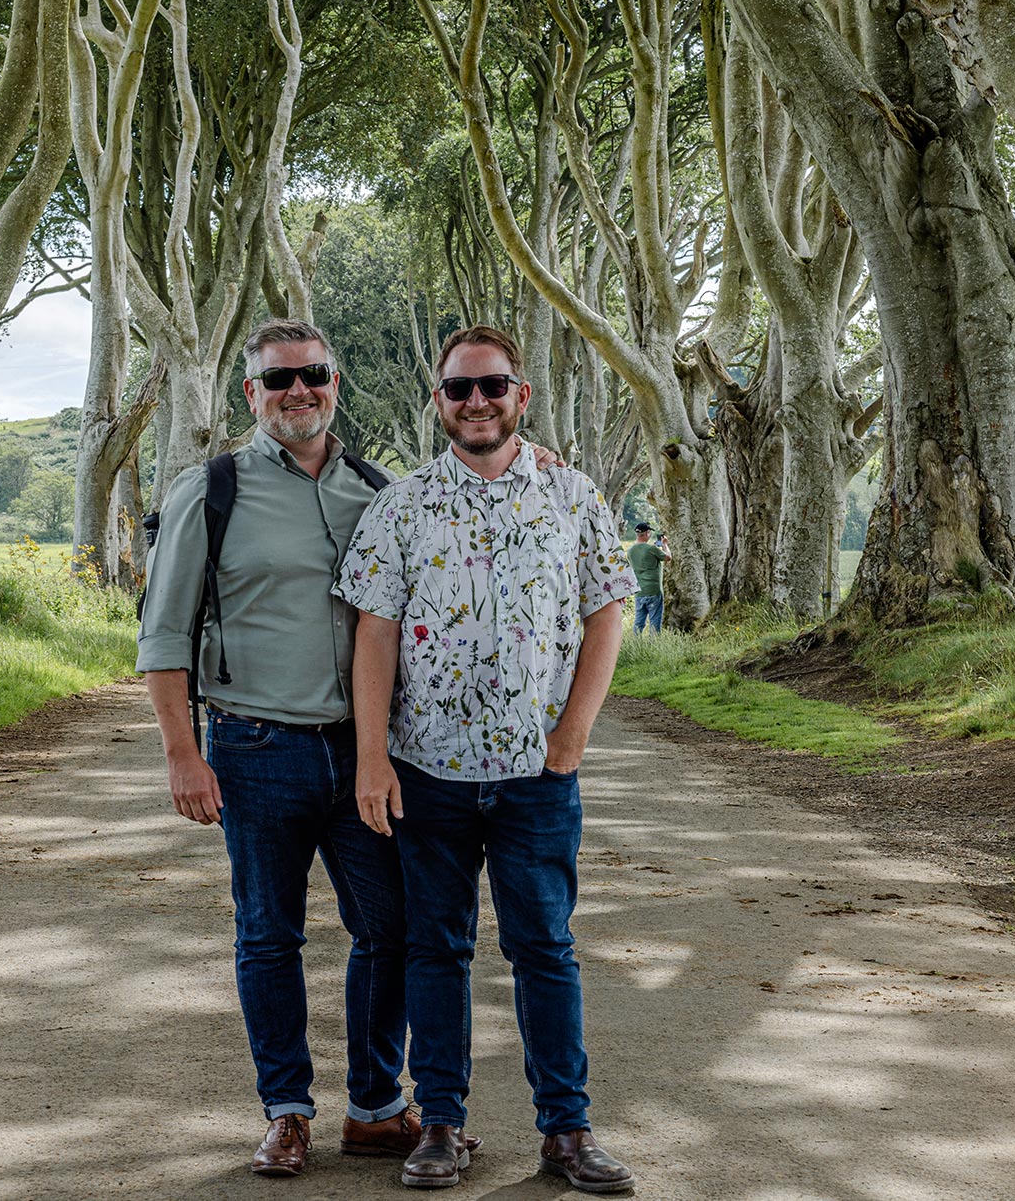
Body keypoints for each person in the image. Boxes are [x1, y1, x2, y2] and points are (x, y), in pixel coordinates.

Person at [137, 319, 482, 1178]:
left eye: (315, 374)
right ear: (251, 394)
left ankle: (374, 1108)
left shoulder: (379, 490)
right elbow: (165, 633)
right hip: (253, 749)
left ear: (336, 384)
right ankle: (286, 1110)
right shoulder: (207, 491)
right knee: (268, 934)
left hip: (366, 755)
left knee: (391, 926)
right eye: (280, 378)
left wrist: (538, 455)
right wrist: (184, 752)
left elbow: (468, 508)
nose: (300, 390)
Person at [335, 324, 639, 1193]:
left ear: (521, 395)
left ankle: (567, 1130)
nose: (476, 403)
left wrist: (572, 733)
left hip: (536, 777)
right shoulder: (400, 504)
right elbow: (375, 632)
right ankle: (440, 1122)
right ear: (438, 401)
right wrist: (371, 760)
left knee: (545, 946)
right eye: (459, 390)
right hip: (427, 769)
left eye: (491, 386)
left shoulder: (574, 497)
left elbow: (606, 611)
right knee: (436, 949)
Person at [626, 521, 671, 633]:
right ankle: (653, 645)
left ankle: (636, 645)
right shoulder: (651, 549)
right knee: (655, 621)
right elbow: (668, 557)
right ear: (647, 533)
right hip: (653, 590)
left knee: (639, 621)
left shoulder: (630, 551)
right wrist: (664, 544)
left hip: (639, 591)